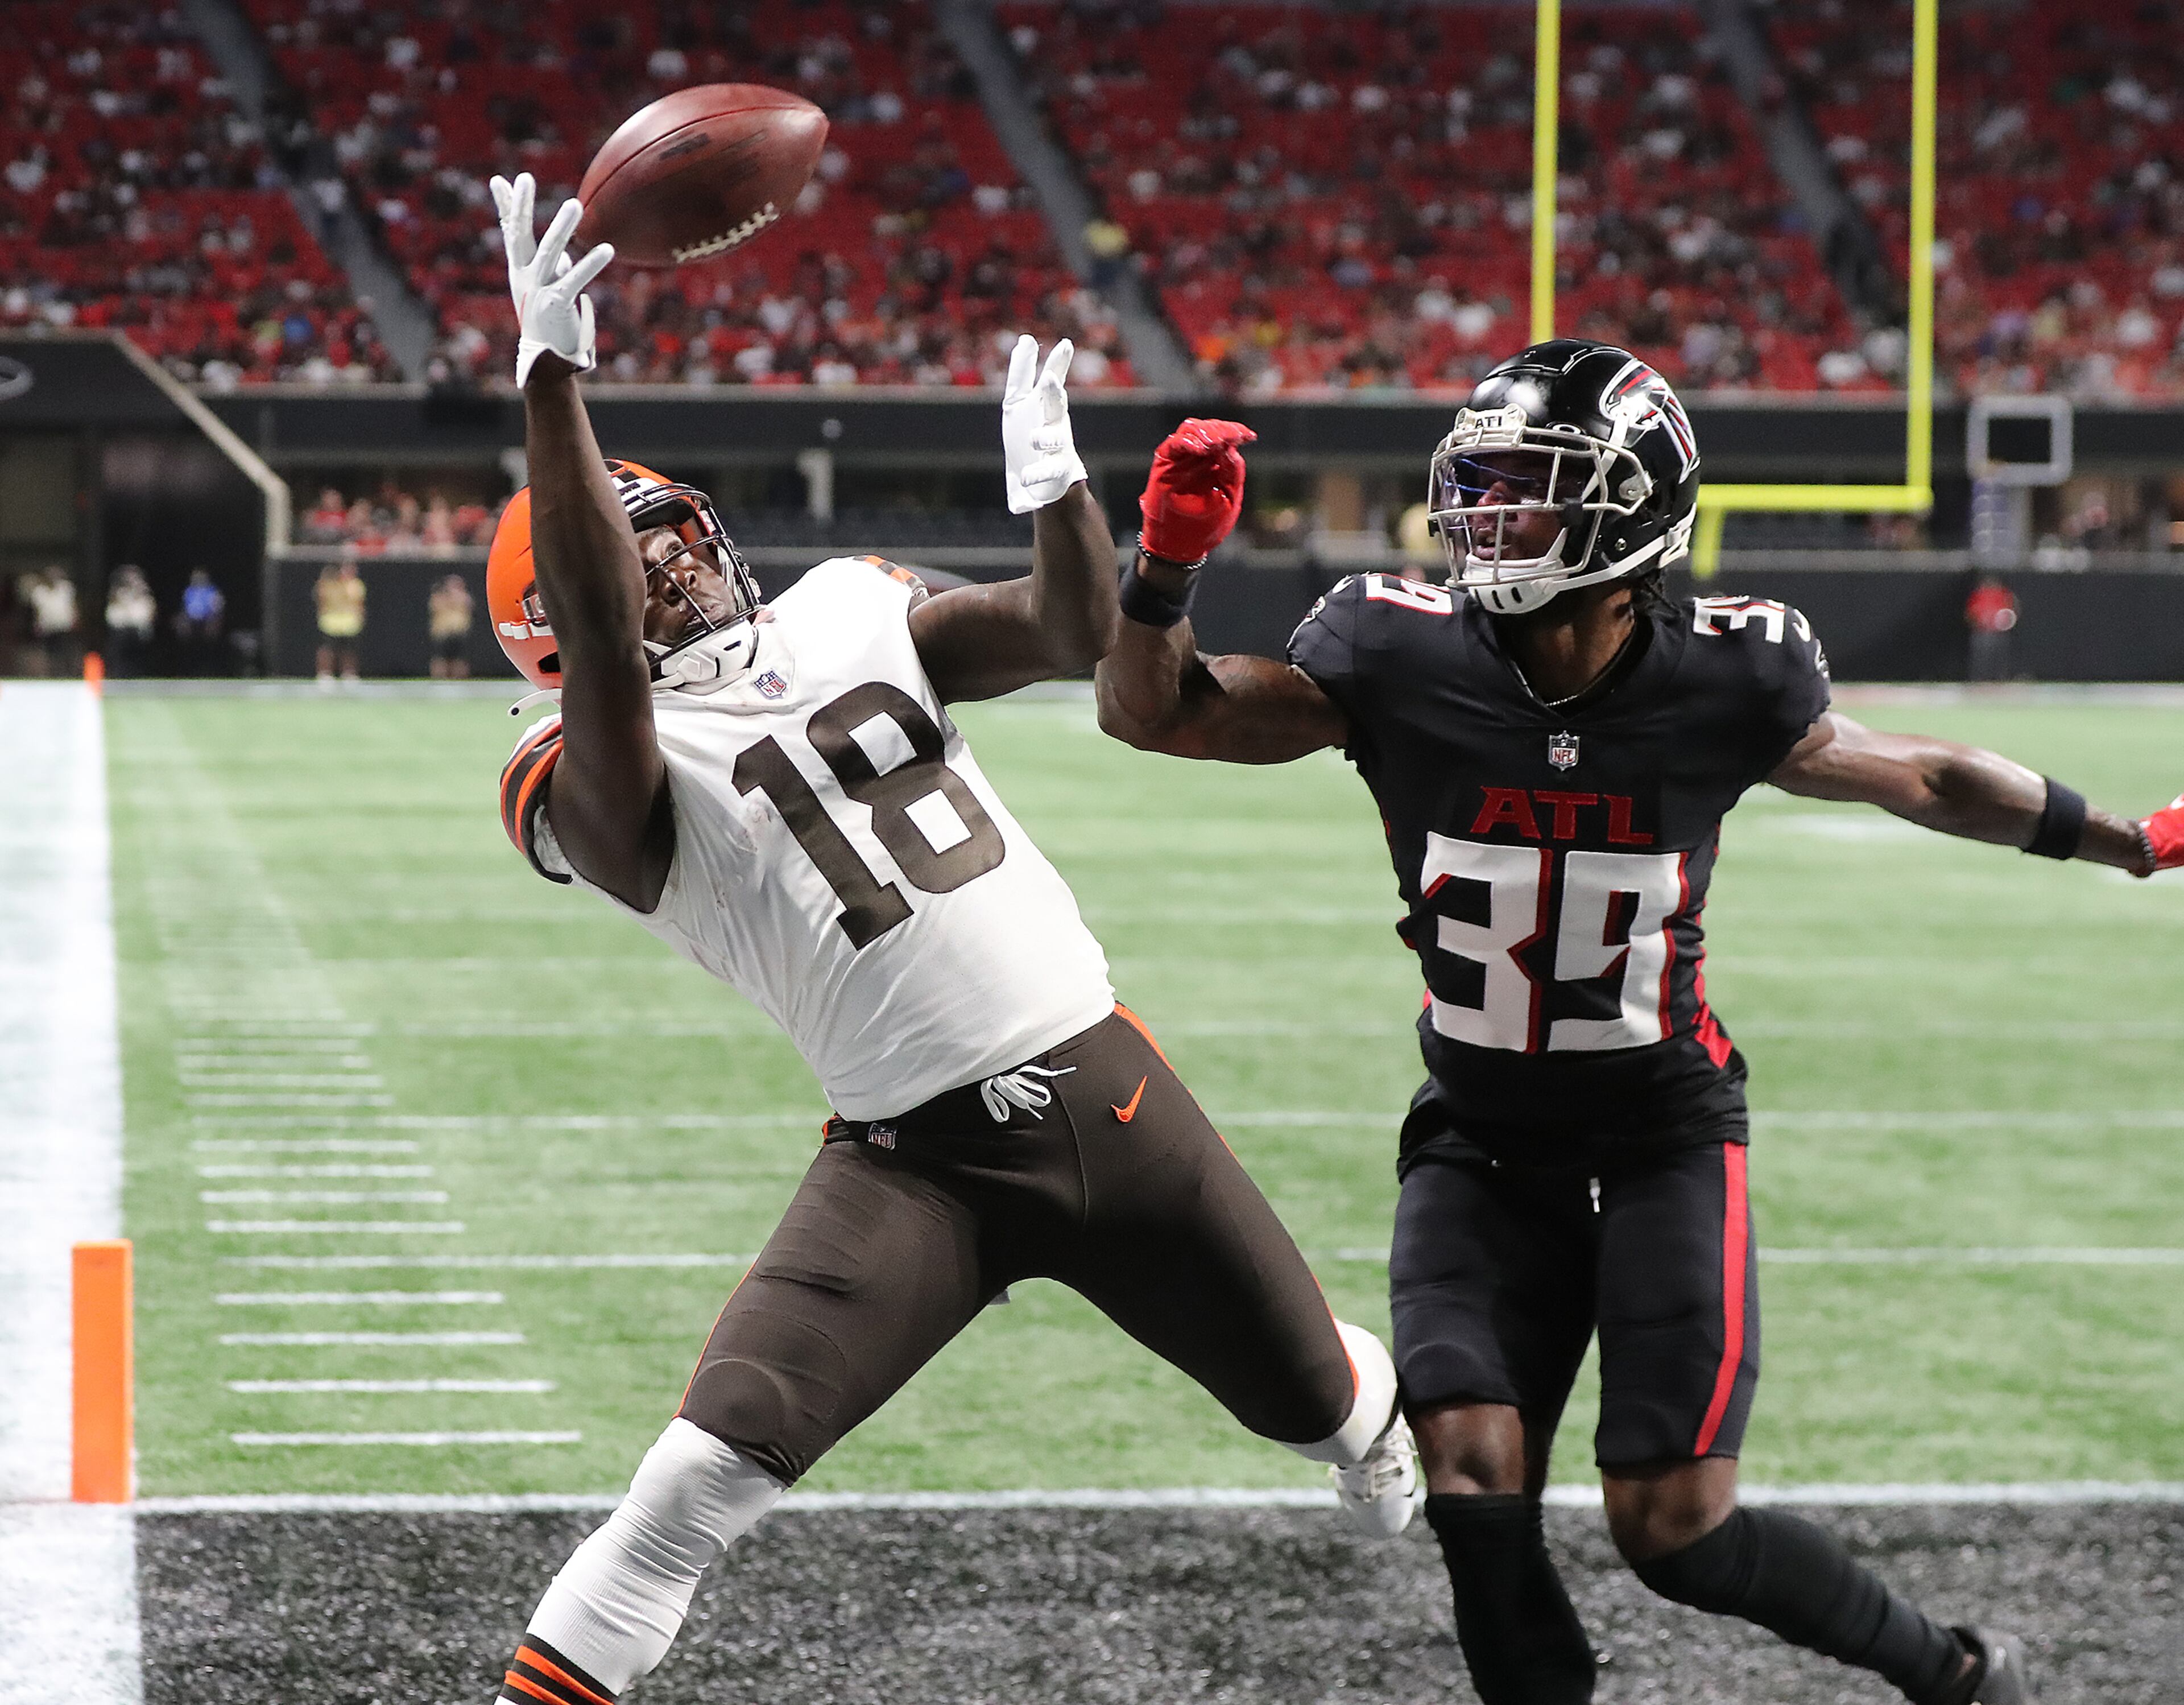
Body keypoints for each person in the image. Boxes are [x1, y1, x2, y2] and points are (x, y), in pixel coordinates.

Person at [1095, 338, 2184, 1705]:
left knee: (1672, 1526)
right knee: (1472, 1483)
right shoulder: (1394, 652)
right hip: (1477, 1139)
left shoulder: (1730, 676)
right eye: (1476, 483)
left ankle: (1948, 1670)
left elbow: (1926, 775)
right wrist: (1164, 567)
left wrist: (2125, 843)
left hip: (1659, 1136)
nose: (1484, 516)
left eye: (1528, 488)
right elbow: (1156, 714)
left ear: (1631, 512)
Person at [478, 173, 1418, 1705]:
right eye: (629, 548)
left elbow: (1066, 630)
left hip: (1110, 1093)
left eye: (671, 530)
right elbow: (595, 629)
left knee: (1315, 1395)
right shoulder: (588, 771)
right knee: (685, 1493)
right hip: (909, 1167)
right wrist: (552, 377)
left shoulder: (852, 606)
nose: (670, 560)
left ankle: (1368, 1406)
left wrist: (1057, 487)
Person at [314, 554, 366, 682]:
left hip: (350, 623)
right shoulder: (328, 584)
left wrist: (360, 618)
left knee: (349, 650)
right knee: (328, 649)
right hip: (331, 622)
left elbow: (360, 605)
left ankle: (349, 675)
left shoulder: (356, 585)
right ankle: (325, 675)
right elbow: (320, 598)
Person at [26, 566, 79, 677]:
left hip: (64, 625)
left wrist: (75, 619)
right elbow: (37, 611)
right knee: (50, 653)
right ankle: (53, 674)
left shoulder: (66, 588)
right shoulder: (39, 591)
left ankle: (68, 673)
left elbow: (73, 605)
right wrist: (37, 625)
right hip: (48, 626)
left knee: (66, 651)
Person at [104, 566, 156, 678]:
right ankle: (119, 676)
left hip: (138, 630)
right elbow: (114, 610)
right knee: (119, 657)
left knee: (139, 658)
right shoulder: (118, 592)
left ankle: (140, 676)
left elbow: (150, 612)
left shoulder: (144, 594)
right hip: (121, 630)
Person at [175, 569, 227, 675]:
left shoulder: (211, 591)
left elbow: (218, 606)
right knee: (182, 626)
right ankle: (187, 667)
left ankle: (208, 667)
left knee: (211, 629)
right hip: (192, 622)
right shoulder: (189, 591)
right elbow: (184, 609)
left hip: (207, 621)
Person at [427, 572, 474, 679]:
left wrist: (456, 596)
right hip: (443, 632)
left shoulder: (464, 597)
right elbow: (435, 608)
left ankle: (459, 680)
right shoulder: (439, 597)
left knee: (460, 659)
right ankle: (440, 680)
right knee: (440, 659)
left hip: (459, 632)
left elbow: (468, 606)